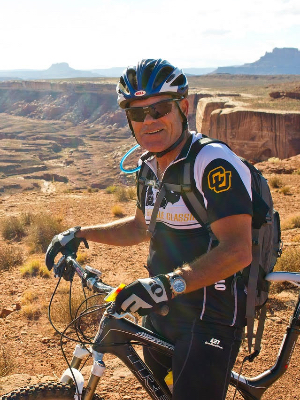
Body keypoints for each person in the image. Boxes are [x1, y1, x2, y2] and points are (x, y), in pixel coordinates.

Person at [46, 59, 253, 399]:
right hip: (162, 308)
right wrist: (81, 233)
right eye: (138, 113)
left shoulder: (211, 162)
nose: (149, 121)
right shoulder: (150, 166)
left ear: (183, 107)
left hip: (210, 313)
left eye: (159, 109)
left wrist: (165, 285)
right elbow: (142, 227)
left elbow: (238, 249)